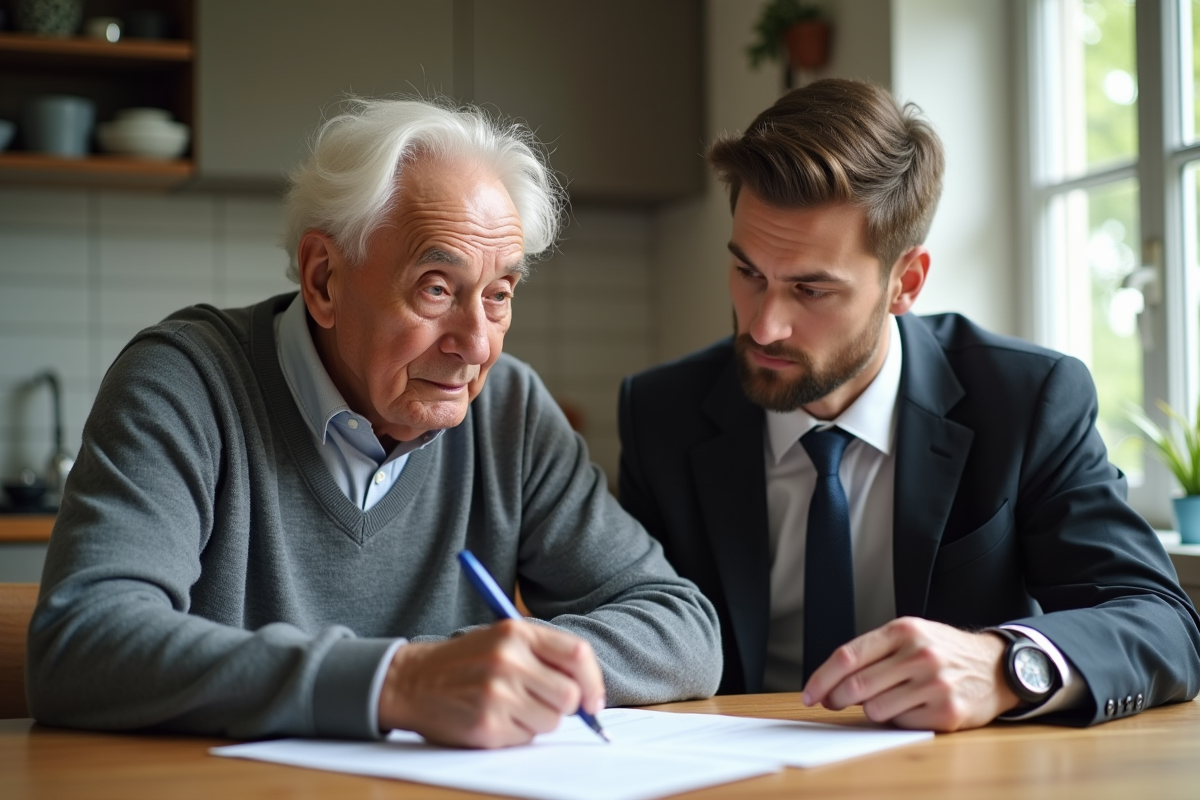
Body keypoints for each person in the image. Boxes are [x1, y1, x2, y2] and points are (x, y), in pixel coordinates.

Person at [26, 98, 721, 747]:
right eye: (436, 288)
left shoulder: (509, 410)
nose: (477, 344)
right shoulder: (185, 383)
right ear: (323, 279)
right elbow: (79, 643)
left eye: (499, 294)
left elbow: (681, 626)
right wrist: (400, 682)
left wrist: (499, 667)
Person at [617, 78, 1200, 731]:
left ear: (906, 282)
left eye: (811, 290)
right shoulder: (661, 413)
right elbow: (629, 617)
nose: (763, 326)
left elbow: (1162, 623)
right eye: (749, 273)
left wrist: (1004, 665)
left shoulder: (1025, 401)